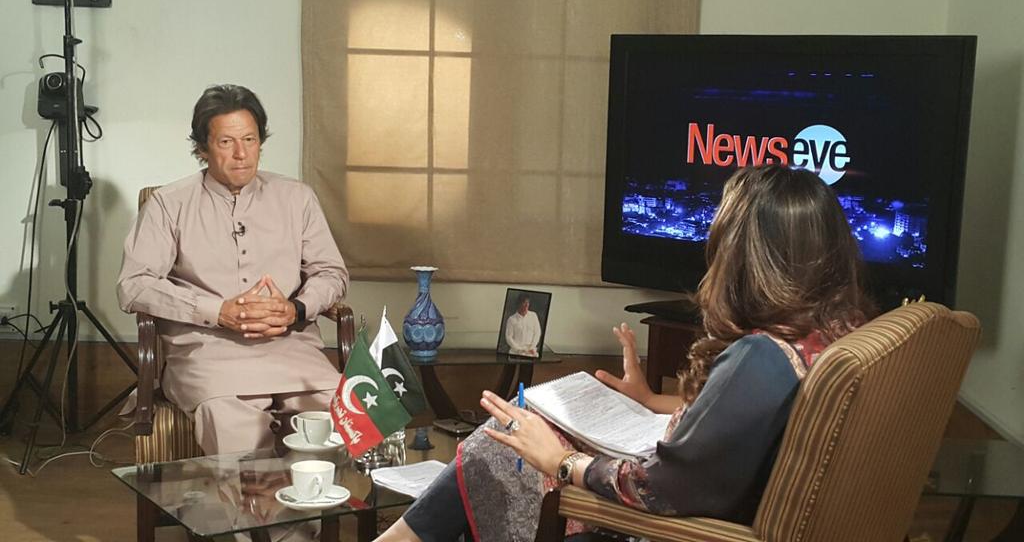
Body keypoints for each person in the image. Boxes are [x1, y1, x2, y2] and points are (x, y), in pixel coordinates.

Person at [376, 165, 875, 542]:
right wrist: (650, 399)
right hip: (711, 505)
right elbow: (739, 427)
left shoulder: (762, 358)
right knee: (517, 432)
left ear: (745, 258)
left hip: (673, 528)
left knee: (501, 443)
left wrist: (563, 461)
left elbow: (657, 490)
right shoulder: (834, 331)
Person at [117, 84, 349, 455]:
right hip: (207, 354)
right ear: (202, 148)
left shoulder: (297, 197)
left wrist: (296, 309)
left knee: (346, 417)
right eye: (226, 142)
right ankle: (252, 496)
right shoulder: (168, 204)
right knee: (233, 428)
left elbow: (331, 272)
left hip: (291, 349)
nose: (241, 154)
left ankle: (316, 495)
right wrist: (217, 311)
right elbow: (134, 285)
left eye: (250, 140)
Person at [504, 292, 542, 357]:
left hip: (531, 352)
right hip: (516, 352)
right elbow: (509, 337)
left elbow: (537, 332)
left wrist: (532, 347)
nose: (527, 305)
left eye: (528, 302)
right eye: (524, 302)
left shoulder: (533, 315)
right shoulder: (511, 319)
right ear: (519, 304)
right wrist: (520, 349)